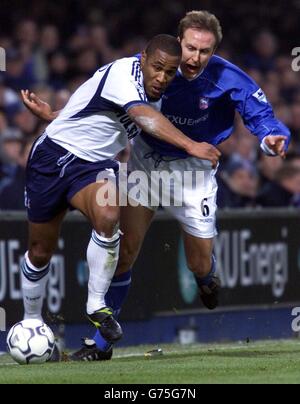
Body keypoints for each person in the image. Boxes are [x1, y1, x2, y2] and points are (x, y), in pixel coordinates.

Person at [23, 11, 290, 361]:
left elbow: (261, 115)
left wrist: (273, 136)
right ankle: (101, 343)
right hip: (146, 164)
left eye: (205, 51)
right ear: (178, 43)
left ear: (214, 51)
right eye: (190, 47)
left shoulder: (228, 77)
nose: (195, 58)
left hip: (194, 174)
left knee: (198, 264)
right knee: (125, 249)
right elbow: (113, 102)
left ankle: (207, 276)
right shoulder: (154, 70)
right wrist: (61, 115)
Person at [19, 34, 221, 360]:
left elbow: (91, 106)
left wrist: (55, 113)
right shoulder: (124, 75)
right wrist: (190, 145)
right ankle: (31, 320)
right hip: (52, 158)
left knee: (111, 214)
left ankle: (97, 305)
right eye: (157, 68)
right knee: (40, 251)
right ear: (143, 59)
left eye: (170, 73)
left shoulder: (157, 91)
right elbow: (141, 115)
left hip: (93, 167)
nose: (162, 78)